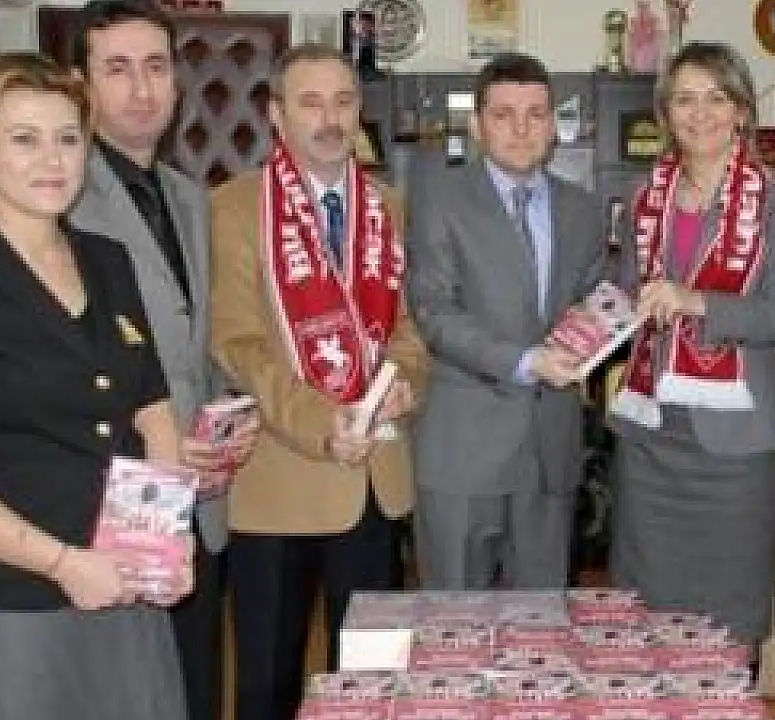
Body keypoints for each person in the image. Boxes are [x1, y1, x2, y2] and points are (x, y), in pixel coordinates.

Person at [0, 52, 189, 720]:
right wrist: (63, 565)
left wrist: (166, 538)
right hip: (3, 608)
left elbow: (152, 409)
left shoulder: (108, 261)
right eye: (24, 139)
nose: (52, 160)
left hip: (121, 584)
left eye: (68, 139)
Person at [209, 43, 427, 719]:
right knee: (267, 689)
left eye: (343, 101)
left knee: (371, 683)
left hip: (376, 483)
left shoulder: (387, 205)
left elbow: (406, 330)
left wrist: (404, 384)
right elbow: (237, 343)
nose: (330, 118)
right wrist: (319, 423)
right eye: (310, 103)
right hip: (280, 484)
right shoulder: (233, 208)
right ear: (276, 115)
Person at [63, 4, 258, 720]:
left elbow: (198, 337)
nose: (141, 89)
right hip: (102, 509)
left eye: (154, 67)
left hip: (196, 504)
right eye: (117, 69)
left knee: (196, 690)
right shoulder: (59, 195)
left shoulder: (188, 195)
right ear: (81, 83)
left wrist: (227, 417)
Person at [605, 42, 775, 650]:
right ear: (665, 114)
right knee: (645, 614)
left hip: (735, 444)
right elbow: (627, 297)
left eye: (717, 98)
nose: (700, 114)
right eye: (684, 100)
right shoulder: (644, 195)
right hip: (651, 434)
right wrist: (586, 329)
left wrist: (697, 302)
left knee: (730, 618)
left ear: (742, 109)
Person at [406, 52, 607, 590]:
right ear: (477, 125)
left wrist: (606, 325)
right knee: (454, 620)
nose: (522, 129)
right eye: (503, 114)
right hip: (463, 450)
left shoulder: (583, 210)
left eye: (536, 114)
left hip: (550, 451)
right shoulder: (438, 201)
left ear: (553, 125)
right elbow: (433, 312)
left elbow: (594, 302)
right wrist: (525, 361)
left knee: (541, 619)